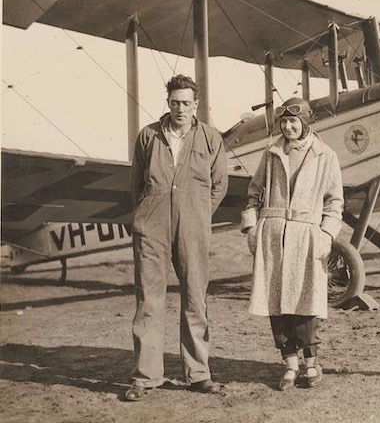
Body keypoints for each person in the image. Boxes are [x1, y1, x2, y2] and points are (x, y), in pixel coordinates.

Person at [125, 75, 228, 400]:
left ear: (196, 104)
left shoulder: (211, 138)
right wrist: (147, 213)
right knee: (148, 300)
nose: (180, 109)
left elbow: (219, 185)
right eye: (174, 102)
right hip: (152, 226)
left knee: (196, 298)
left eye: (186, 103)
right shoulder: (148, 136)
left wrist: (196, 213)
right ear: (167, 103)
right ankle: (145, 376)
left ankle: (198, 373)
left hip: (193, 227)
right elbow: (135, 185)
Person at [240, 97, 344, 391]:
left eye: (294, 122)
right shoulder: (271, 153)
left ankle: (311, 364)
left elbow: (335, 201)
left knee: (305, 302)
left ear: (306, 122)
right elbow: (253, 193)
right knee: (277, 302)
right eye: (284, 122)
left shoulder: (326, 156)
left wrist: (326, 234)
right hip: (273, 234)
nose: (288, 127)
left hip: (307, 235)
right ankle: (289, 364)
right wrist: (251, 226)